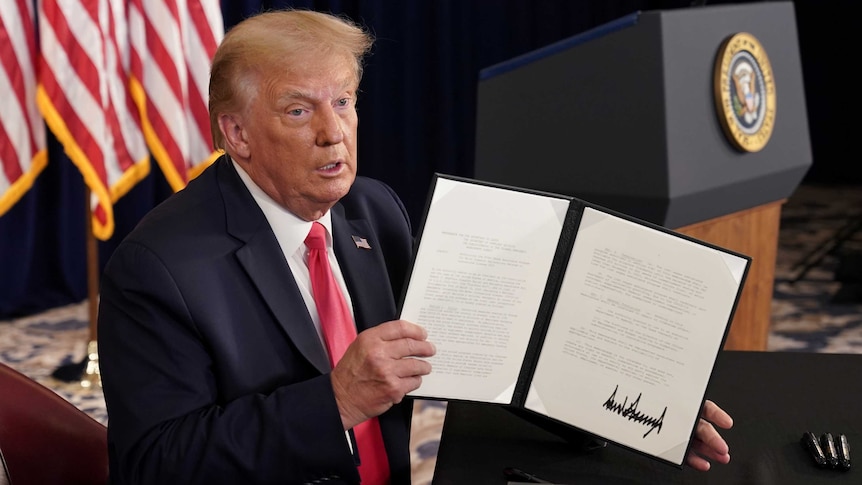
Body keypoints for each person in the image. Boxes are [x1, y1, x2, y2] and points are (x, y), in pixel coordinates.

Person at [97, 8, 733, 485]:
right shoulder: (159, 269)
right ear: (236, 133)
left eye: (343, 101)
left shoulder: (372, 209)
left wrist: (633, 405)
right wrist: (335, 402)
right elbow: (155, 464)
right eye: (298, 112)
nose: (332, 133)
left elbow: (487, 351)